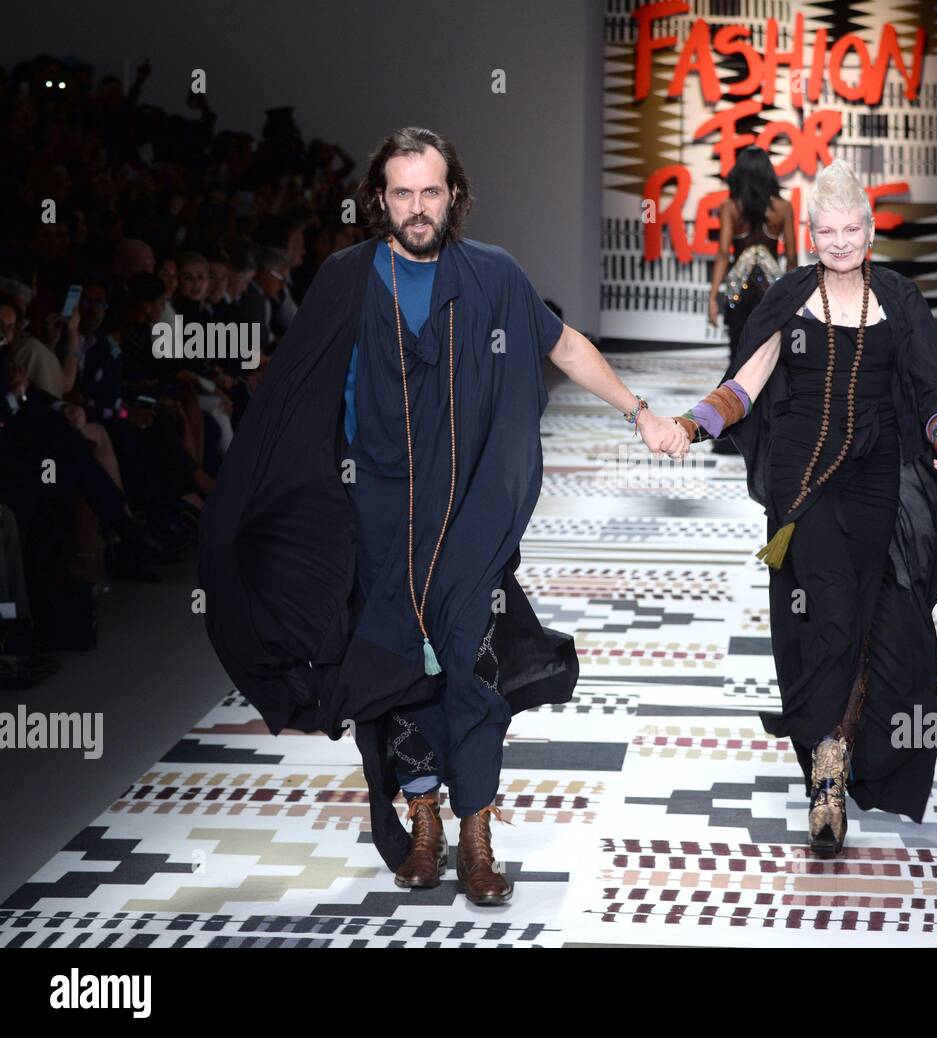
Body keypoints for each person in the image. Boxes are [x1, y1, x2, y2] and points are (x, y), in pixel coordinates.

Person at [199, 126, 689, 905]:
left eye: (431, 192)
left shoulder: (493, 276)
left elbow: (563, 347)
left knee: (472, 669)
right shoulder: (346, 280)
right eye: (402, 193)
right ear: (379, 200)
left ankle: (476, 833)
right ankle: (422, 819)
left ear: (453, 194)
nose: (418, 208)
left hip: (472, 516)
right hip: (377, 518)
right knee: (391, 675)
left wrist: (641, 413)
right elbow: (294, 392)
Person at [673, 160, 937, 857]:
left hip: (877, 487)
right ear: (809, 234)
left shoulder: (899, 300)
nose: (839, 241)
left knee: (871, 622)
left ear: (870, 233)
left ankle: (840, 749)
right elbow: (744, 383)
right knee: (830, 613)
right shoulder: (788, 299)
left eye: (851, 230)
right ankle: (827, 777)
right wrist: (691, 425)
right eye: (827, 230)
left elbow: (932, 387)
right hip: (800, 486)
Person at [706, 146, 797, 453]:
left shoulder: (731, 207)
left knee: (738, 359)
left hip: (739, 296)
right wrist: (795, 300)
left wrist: (712, 298)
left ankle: (731, 435)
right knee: (772, 362)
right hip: (773, 296)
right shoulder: (783, 208)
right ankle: (770, 432)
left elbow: (722, 254)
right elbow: (793, 259)